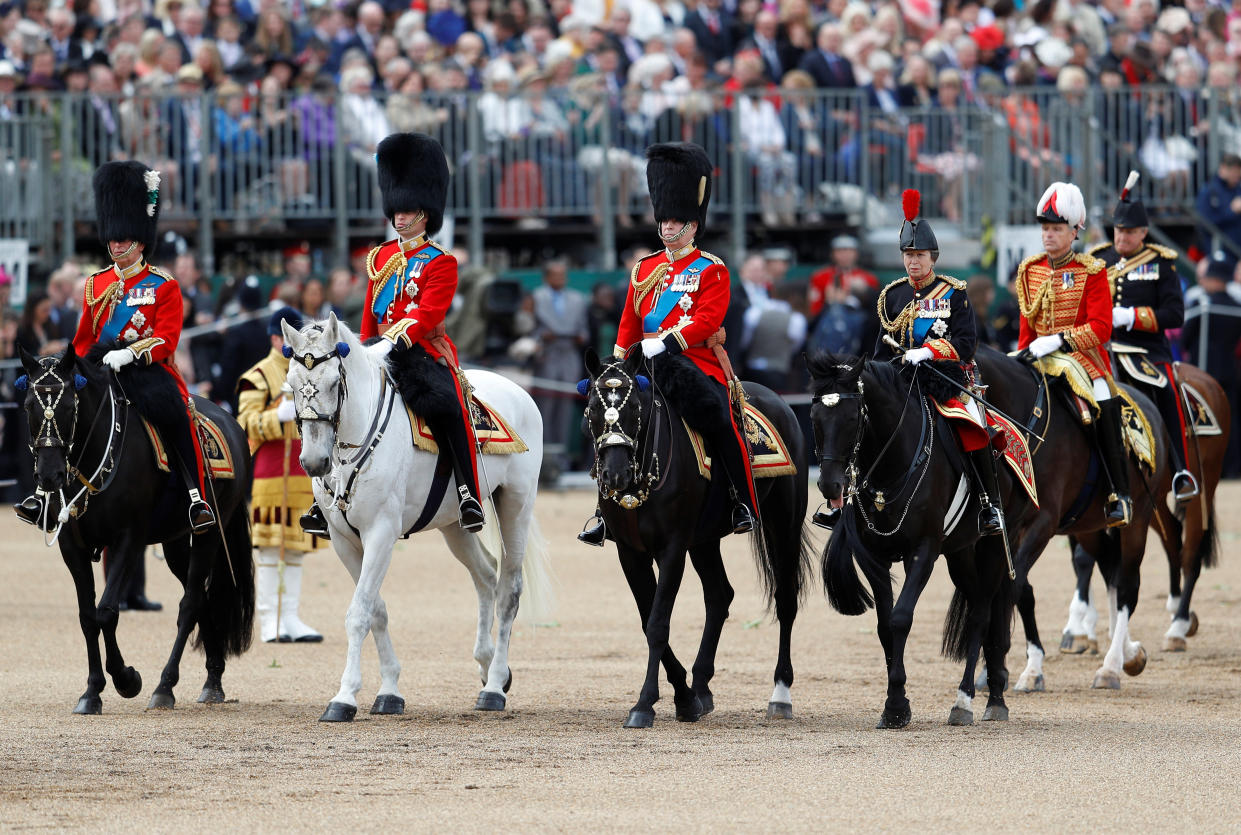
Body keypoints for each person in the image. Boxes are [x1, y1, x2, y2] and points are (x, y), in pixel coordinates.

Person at [299, 133, 484, 536]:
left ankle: (469, 493)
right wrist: (363, 347)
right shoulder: (380, 255)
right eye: (397, 211)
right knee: (331, 401)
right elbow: (369, 311)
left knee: (447, 406)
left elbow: (430, 311)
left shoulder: (441, 262)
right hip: (373, 349)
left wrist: (393, 340)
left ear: (425, 213)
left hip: (420, 351)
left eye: (409, 211)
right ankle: (321, 499)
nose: (400, 218)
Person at [15, 161, 214, 531]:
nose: (117, 244)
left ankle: (194, 497)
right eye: (113, 237)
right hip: (99, 368)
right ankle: (43, 495)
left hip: (146, 369)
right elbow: (83, 341)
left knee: (176, 414)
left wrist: (132, 352)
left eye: (124, 238)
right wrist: (56, 367)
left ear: (140, 239)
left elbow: (168, 338)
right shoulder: (95, 284)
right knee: (52, 409)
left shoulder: (163, 285)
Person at [578, 142, 758, 545]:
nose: (667, 228)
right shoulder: (645, 267)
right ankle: (603, 510)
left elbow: (708, 319)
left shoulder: (711, 268)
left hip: (693, 362)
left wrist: (668, 343)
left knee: (719, 420)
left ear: (693, 225)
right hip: (642, 364)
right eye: (664, 221)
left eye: (676, 221)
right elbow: (629, 321)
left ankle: (740, 500)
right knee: (608, 418)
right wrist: (621, 361)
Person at [858, 189, 1000, 536]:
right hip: (900, 382)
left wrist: (930, 351)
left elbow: (966, 345)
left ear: (933, 257)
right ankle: (849, 498)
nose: (913, 262)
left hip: (944, 380)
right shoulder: (892, 295)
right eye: (908, 254)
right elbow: (880, 352)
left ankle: (987, 503)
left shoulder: (953, 293)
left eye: (919, 254)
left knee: (972, 425)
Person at [1015, 181, 1131, 527]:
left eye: (1056, 229)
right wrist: (1023, 352)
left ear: (1074, 231)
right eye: (1045, 229)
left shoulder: (1091, 272)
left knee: (1103, 400)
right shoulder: (1029, 269)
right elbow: (1027, 326)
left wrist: (1059, 341)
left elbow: (1101, 328)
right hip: (1036, 355)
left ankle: (1118, 493)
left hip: (1084, 360)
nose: (1048, 235)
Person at [1089, 171, 1194, 501]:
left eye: (1130, 232)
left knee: (1164, 388)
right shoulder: (1099, 259)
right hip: (1101, 346)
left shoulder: (1161, 265)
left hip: (1145, 350)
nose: (1123, 237)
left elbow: (1175, 315)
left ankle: (1180, 469)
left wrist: (1132, 317)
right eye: (1120, 230)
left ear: (1144, 233)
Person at [236, 307, 324, 643]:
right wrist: (278, 417)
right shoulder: (257, 375)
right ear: (276, 338)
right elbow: (244, 424)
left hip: (302, 474)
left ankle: (291, 617)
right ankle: (270, 619)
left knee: (297, 547)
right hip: (271, 474)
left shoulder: (310, 369)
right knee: (272, 549)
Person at [1182, 254, 1241, 478]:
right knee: (1230, 420)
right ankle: (1232, 469)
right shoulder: (1237, 307)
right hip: (1228, 371)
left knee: (1201, 422)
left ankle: (1201, 468)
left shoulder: (1202, 304)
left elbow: (1187, 337)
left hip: (1201, 372)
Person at [531, 259, 588, 480]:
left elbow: (584, 330)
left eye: (563, 275)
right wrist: (541, 337)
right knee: (544, 408)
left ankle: (561, 458)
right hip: (547, 355)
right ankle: (542, 458)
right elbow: (530, 328)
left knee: (564, 410)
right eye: (555, 275)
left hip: (569, 357)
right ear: (547, 277)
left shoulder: (577, 299)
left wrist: (580, 336)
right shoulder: (536, 297)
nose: (560, 279)